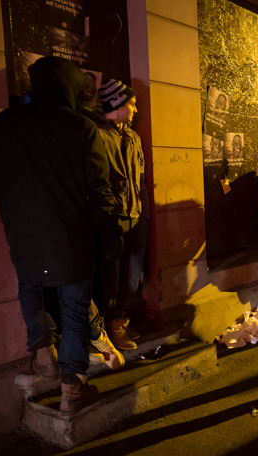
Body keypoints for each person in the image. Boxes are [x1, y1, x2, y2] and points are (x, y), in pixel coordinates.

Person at [0, 56, 121, 414]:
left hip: (23, 232)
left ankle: (43, 352)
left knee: (30, 287)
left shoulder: (5, 124)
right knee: (75, 307)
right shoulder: (80, 127)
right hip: (70, 234)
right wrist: (112, 233)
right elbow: (99, 189)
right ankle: (71, 390)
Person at [95, 79, 149, 350]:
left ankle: (120, 320)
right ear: (116, 103)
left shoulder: (133, 136)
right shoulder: (97, 136)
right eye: (132, 103)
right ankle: (107, 327)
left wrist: (144, 215)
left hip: (135, 216)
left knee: (133, 276)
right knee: (110, 278)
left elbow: (140, 180)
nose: (135, 109)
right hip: (113, 218)